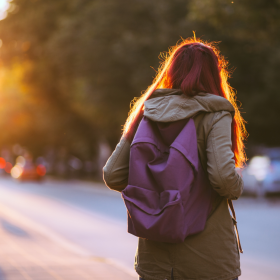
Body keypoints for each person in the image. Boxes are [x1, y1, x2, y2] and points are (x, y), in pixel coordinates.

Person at [103, 36, 246, 280]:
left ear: (172, 71)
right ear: (215, 73)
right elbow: (223, 178)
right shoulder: (216, 112)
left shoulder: (148, 112)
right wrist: (238, 183)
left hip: (155, 261)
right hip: (206, 260)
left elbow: (112, 174)